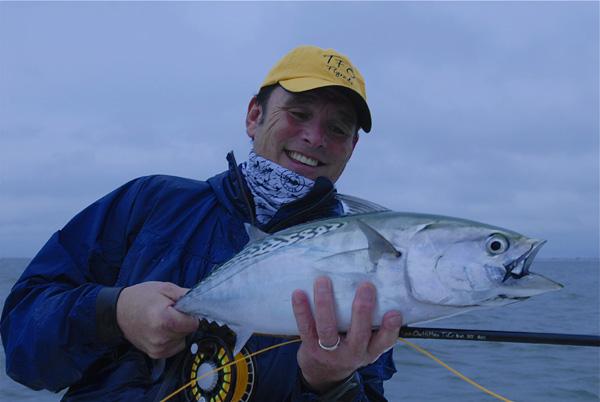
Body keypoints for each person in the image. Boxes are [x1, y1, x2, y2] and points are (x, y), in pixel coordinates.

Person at [1, 45, 402, 401]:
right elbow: (22, 343)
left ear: (353, 147)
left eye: (337, 129)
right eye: (298, 114)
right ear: (254, 116)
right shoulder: (152, 202)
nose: (315, 137)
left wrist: (330, 384)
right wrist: (114, 313)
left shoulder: (366, 269)